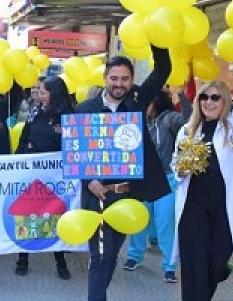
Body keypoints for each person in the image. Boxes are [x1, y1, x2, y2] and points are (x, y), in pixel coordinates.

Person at [171, 34, 233, 301]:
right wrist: (182, 168)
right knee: (194, 265)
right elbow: (176, 167)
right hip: (193, 207)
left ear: (224, 102)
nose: (209, 102)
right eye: (204, 97)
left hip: (224, 207)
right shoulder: (187, 131)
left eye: (215, 98)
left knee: (216, 264)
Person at [76, 48, 173, 301]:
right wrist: (89, 180)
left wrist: (156, 36)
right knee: (100, 256)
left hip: (127, 196)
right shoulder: (85, 109)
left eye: (125, 79)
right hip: (97, 195)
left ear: (132, 80)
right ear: (105, 78)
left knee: (110, 257)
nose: (119, 84)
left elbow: (163, 69)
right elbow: (75, 150)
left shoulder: (137, 101)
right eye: (114, 78)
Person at [123, 85, 192, 283]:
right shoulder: (136, 120)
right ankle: (134, 255)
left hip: (166, 179)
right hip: (141, 179)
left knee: (165, 224)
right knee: (138, 220)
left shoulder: (169, 118)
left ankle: (170, 266)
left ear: (156, 102)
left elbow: (189, 122)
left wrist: (182, 96)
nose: (142, 105)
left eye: (146, 102)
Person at [15, 75, 74, 280]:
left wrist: (38, 146)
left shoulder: (68, 116)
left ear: (54, 93)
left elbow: (66, 144)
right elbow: (25, 137)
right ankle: (23, 258)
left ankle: (61, 261)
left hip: (56, 178)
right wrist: (19, 159)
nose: (39, 94)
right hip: (32, 174)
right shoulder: (35, 111)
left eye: (43, 91)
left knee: (55, 216)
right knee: (27, 214)